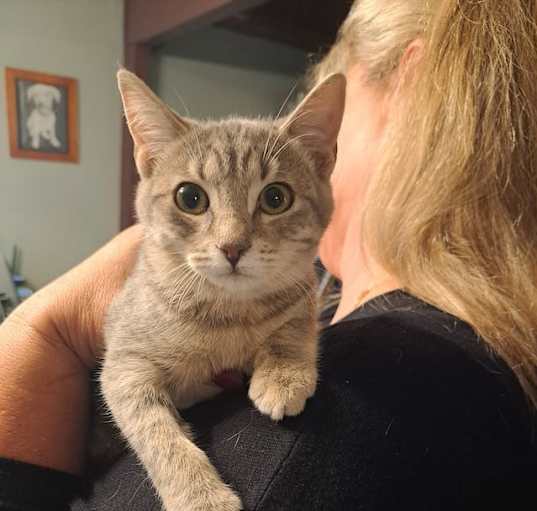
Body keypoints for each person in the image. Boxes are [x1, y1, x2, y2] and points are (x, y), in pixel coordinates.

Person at [1, 0, 537, 509]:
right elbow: (127, 377)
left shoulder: (367, 401)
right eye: (193, 199)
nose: (232, 239)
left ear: (405, 89)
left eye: (274, 199)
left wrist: (39, 331)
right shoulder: (483, 354)